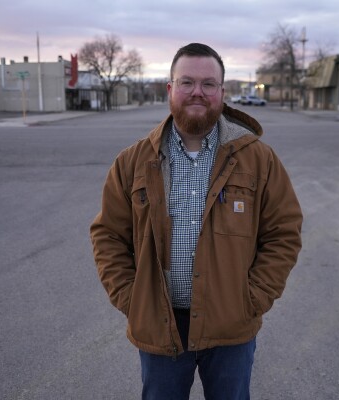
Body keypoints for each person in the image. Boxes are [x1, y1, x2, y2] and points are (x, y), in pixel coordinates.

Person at [90, 42, 303, 400]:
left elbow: (284, 233)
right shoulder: (132, 162)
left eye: (208, 84)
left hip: (231, 327)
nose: (197, 93)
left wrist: (253, 298)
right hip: (160, 326)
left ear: (222, 91)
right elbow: (108, 235)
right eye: (187, 82)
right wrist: (132, 298)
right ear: (170, 89)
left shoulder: (258, 160)